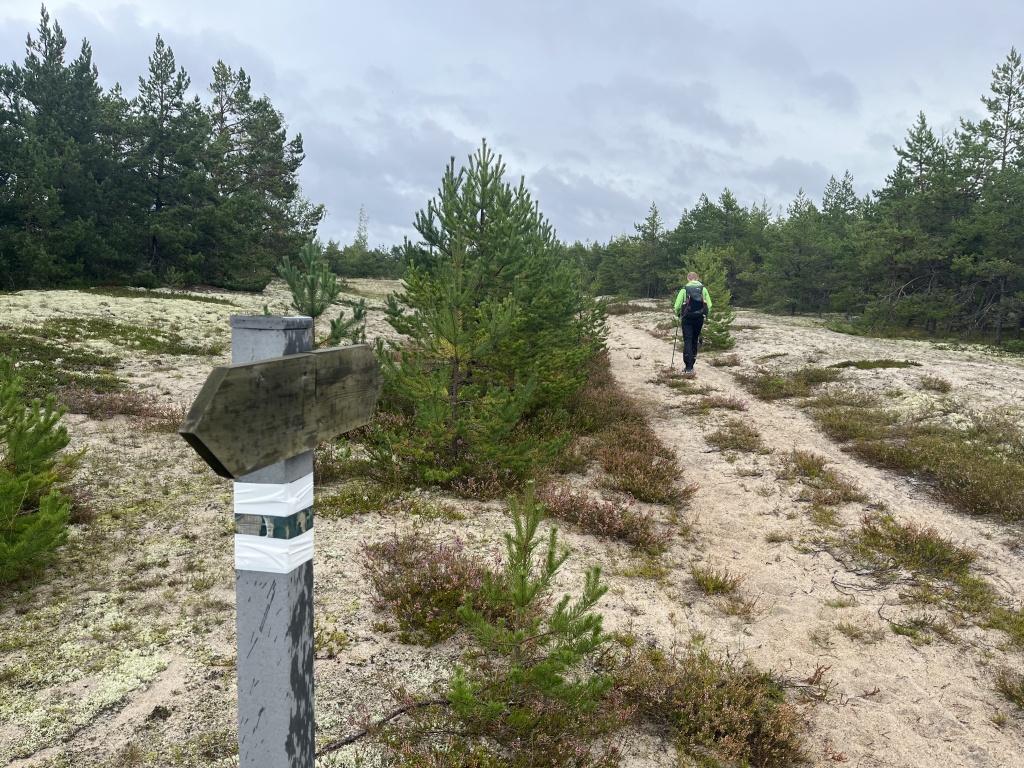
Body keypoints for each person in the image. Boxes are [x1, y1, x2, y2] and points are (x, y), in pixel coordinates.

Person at [673, 271, 712, 373]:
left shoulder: (684, 289)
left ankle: (688, 366)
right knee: (694, 340)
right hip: (699, 318)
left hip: (687, 318)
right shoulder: (703, 289)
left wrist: (678, 313)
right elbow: (709, 305)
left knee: (688, 340)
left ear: (688, 279)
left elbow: (677, 305)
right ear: (697, 278)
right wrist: (705, 313)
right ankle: (692, 363)